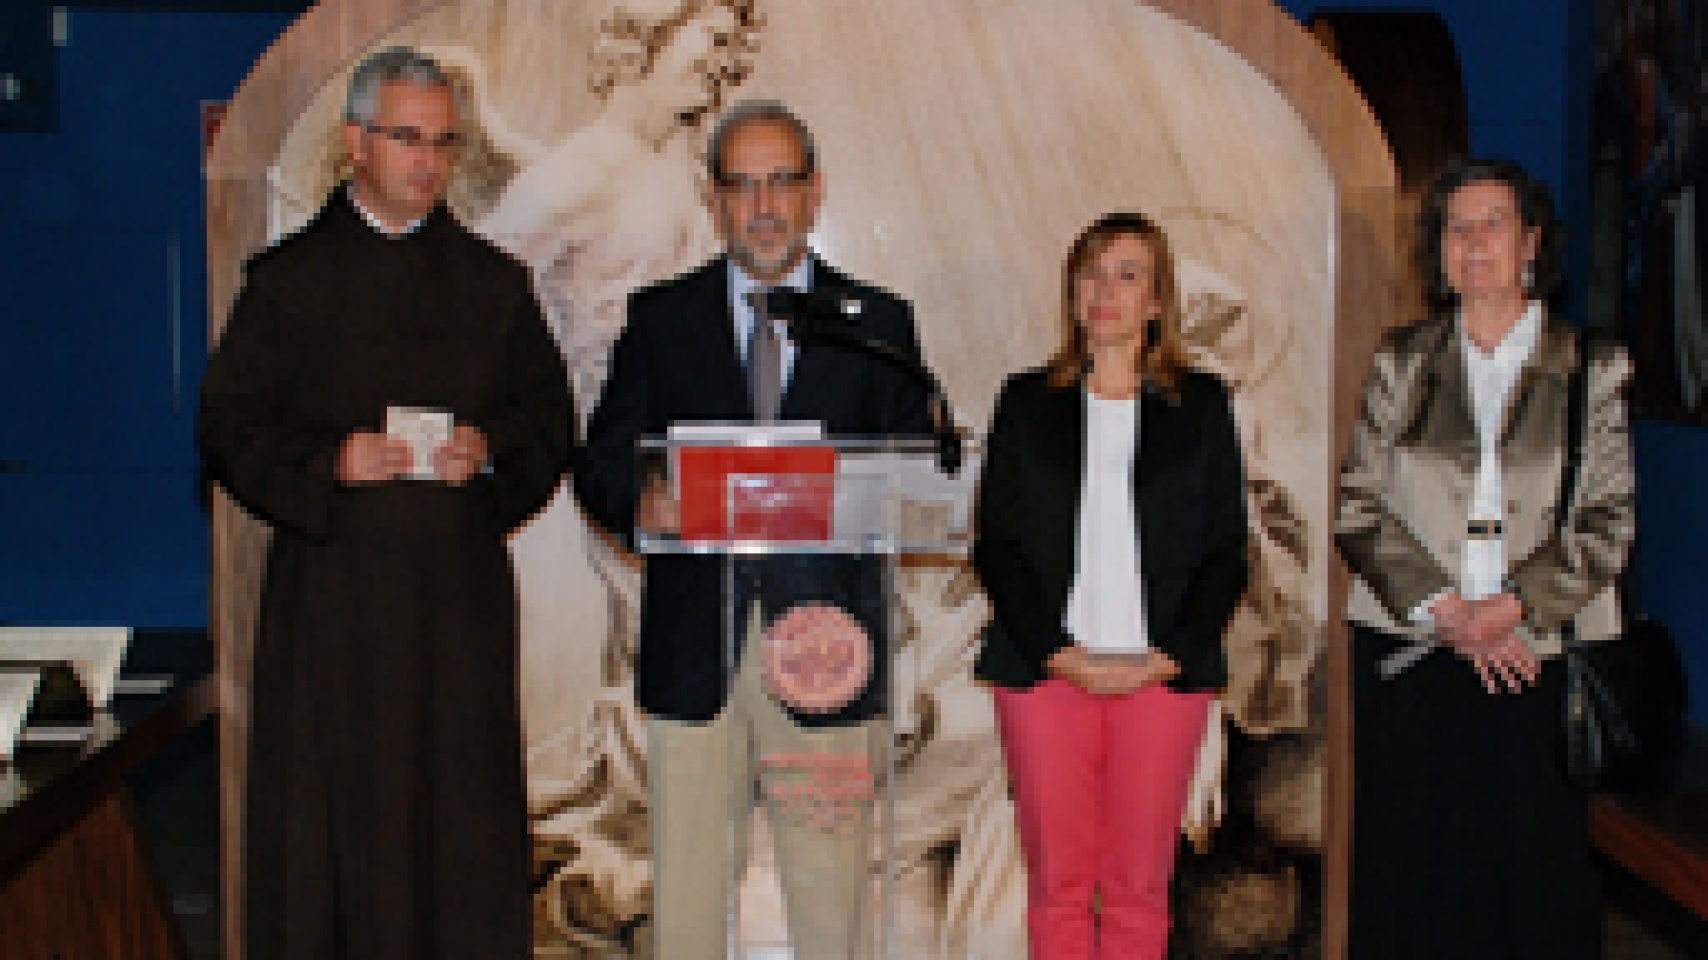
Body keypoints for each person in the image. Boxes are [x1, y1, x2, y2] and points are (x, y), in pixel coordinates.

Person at [199, 47, 574, 960]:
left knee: (459, 832)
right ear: (355, 143)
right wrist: (330, 461)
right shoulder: (287, 283)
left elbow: (549, 423)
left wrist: (490, 453)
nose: (429, 162)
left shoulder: (494, 284)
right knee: (339, 839)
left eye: (445, 144)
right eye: (408, 139)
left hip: (456, 615)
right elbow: (227, 429)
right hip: (336, 614)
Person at [574, 99, 933, 959]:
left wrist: (891, 489)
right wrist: (641, 497)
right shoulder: (663, 319)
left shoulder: (877, 325)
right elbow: (603, 459)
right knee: (689, 899)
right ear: (713, 198)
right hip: (696, 649)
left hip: (828, 646)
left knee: (831, 895)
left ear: (814, 195)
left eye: (782, 182)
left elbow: (918, 470)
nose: (764, 204)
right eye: (743, 184)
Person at [1337, 158, 1635, 959]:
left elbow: (1607, 520)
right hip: (1413, 650)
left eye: (1493, 222)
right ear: (1439, 252)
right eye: (1455, 227)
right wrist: (1448, 609)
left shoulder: (1591, 366)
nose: (1473, 242)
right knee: (1410, 874)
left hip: (1534, 654)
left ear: (1532, 242)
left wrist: (1510, 608)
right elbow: (1359, 505)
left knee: (1531, 880)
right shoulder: (1401, 360)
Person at [972, 212, 1249, 959]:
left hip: (1162, 675)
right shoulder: (1026, 402)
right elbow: (996, 546)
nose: (1106, 289)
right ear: (1071, 291)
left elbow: (1228, 552)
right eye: (1091, 272)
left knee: (1137, 892)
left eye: (1128, 274)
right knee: (1058, 889)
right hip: (1045, 673)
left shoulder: (1204, 407)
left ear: (1157, 301)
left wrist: (1173, 653)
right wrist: (1058, 653)